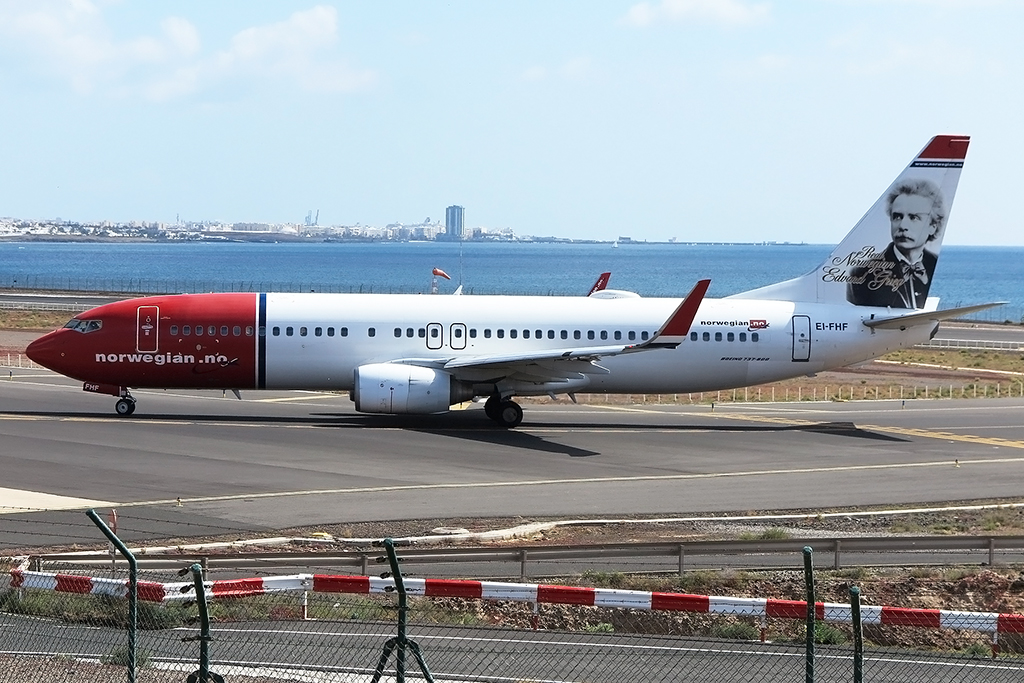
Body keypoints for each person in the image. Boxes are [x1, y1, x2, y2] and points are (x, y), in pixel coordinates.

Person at [847, 179, 945, 308]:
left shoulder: (933, 263)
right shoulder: (862, 272)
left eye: (914, 217)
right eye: (897, 217)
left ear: (933, 226)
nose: (903, 226)